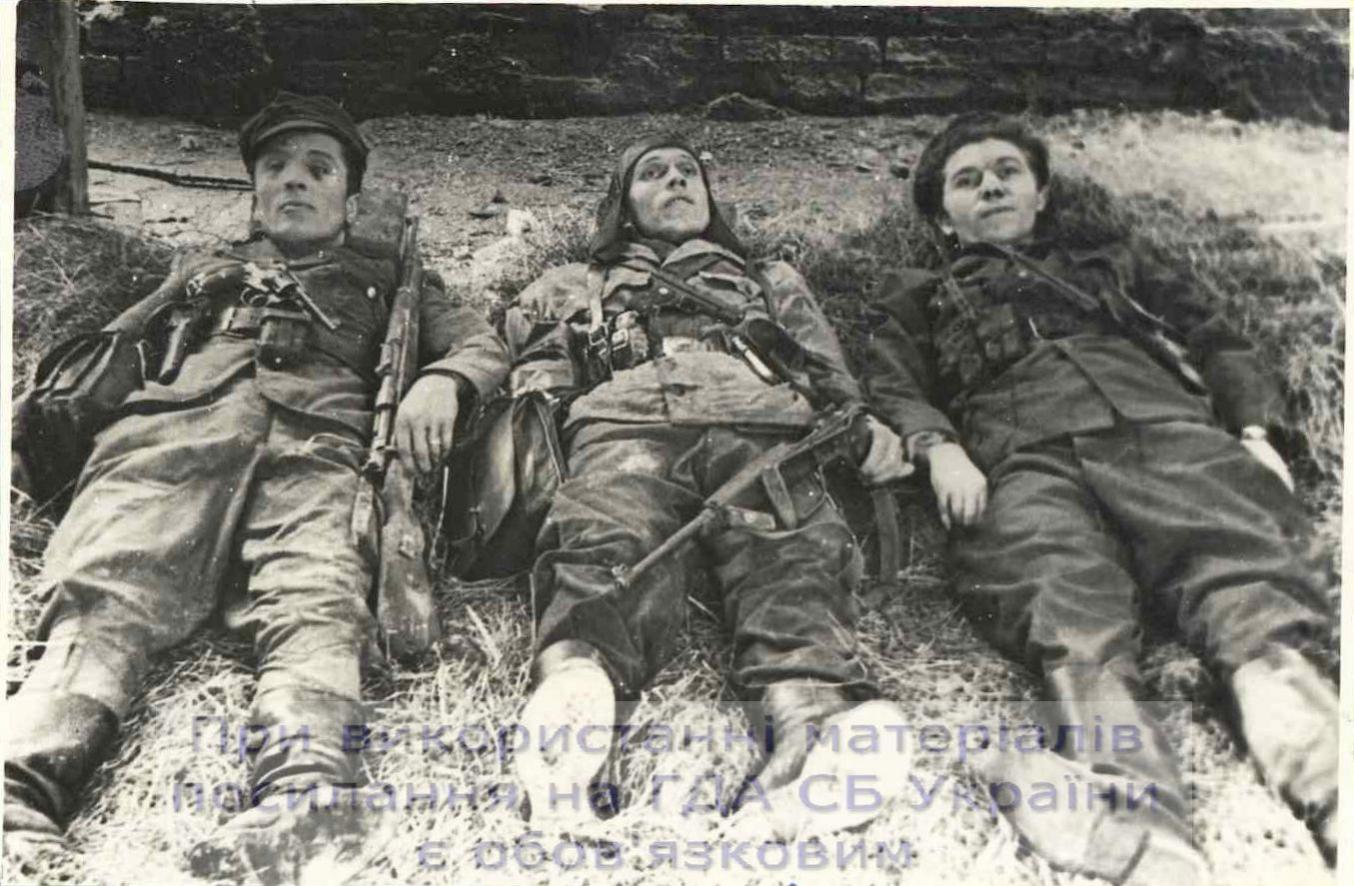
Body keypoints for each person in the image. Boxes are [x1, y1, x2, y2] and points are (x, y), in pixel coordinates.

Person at [5, 93, 509, 873]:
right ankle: (20, 793)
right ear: (255, 193)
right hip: (170, 436)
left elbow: (481, 345)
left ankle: (309, 800)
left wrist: (443, 381)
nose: (293, 181)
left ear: (351, 200)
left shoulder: (392, 282)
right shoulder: (202, 272)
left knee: (318, 597)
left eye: (318, 169)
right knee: (108, 590)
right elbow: (103, 355)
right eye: (275, 168)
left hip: (321, 449)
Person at [865, 112, 1338, 882]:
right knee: (1067, 610)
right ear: (943, 219)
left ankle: (1328, 777)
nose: (991, 187)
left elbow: (1214, 335)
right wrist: (938, 447)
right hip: (1019, 458)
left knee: (1245, 583)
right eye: (967, 181)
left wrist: (1253, 429)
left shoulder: (1113, 261)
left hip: (1163, 430)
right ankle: (1143, 827)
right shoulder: (914, 296)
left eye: (1007, 171)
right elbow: (891, 382)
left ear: (1042, 193)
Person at [501, 135, 914, 837]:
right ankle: (574, 701)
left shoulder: (769, 278)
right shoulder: (573, 281)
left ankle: (813, 729)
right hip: (627, 420)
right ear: (623, 205)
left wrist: (864, 425)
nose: (675, 181)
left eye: (688, 172)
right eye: (653, 173)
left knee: (793, 551)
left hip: (764, 426)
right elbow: (538, 368)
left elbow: (825, 370)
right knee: (603, 532)